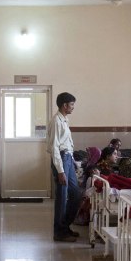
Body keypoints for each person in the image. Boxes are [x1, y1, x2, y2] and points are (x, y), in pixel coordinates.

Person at [46, 92, 81, 243]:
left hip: (67, 159)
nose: (73, 107)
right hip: (60, 160)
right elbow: (54, 147)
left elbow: (68, 144)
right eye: (72, 104)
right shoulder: (56, 121)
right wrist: (60, 170)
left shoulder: (65, 120)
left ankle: (65, 226)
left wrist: (72, 160)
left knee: (76, 194)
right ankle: (59, 232)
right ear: (64, 105)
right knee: (62, 197)